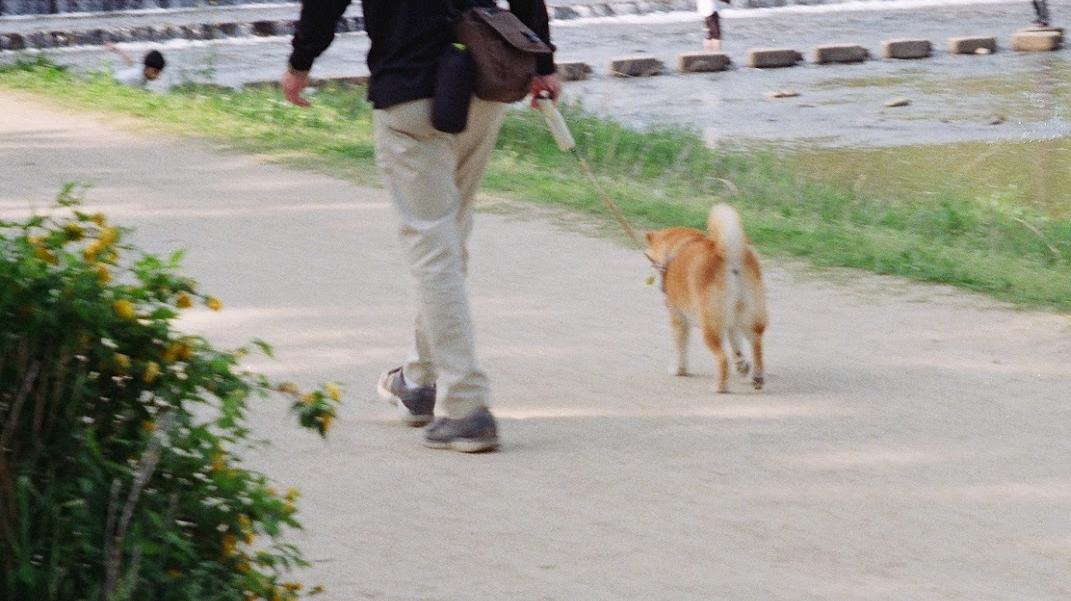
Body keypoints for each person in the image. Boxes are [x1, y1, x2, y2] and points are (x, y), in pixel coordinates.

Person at [281, 0, 562, 453]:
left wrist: (301, 61)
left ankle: (467, 407)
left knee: (434, 248)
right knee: (449, 241)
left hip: (410, 91)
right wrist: (543, 62)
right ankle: (419, 381)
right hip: (482, 82)